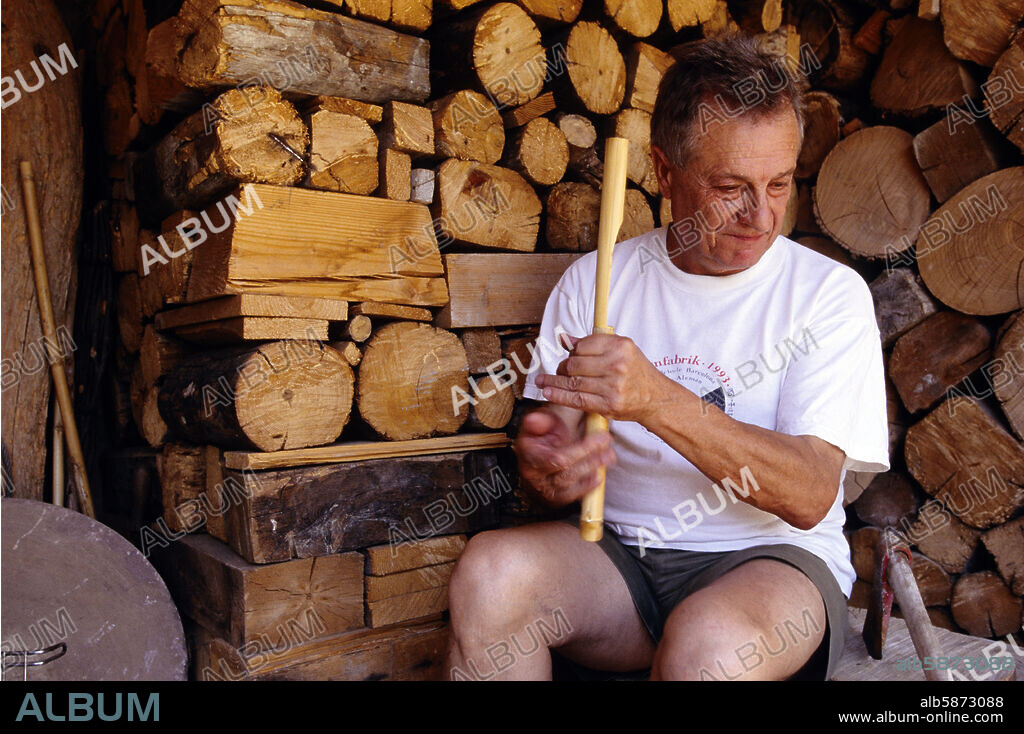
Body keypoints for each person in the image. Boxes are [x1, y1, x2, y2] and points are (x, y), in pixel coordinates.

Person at [445, 33, 890, 681]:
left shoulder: (827, 296)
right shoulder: (597, 283)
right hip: (622, 562)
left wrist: (656, 398)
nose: (760, 215)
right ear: (663, 170)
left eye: (779, 183)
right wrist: (551, 463)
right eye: (731, 186)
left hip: (770, 564)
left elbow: (811, 494)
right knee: (491, 574)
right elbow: (554, 465)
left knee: (707, 647)